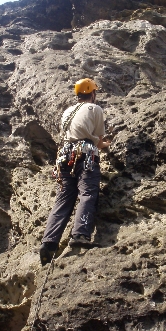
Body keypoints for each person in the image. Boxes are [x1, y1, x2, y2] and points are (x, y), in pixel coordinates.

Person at [40, 78, 112, 265]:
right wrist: (108, 144)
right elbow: (98, 141)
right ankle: (80, 234)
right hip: (85, 155)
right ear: (92, 93)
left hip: (64, 157)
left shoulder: (67, 112)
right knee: (87, 193)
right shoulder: (94, 109)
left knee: (63, 199)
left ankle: (49, 242)